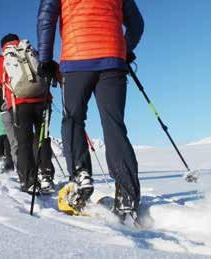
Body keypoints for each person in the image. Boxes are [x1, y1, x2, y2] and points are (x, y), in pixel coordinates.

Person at [37, 0, 144, 221]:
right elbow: (137, 24)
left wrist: (45, 60)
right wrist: (125, 48)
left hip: (77, 61)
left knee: (73, 120)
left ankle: (81, 176)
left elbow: (46, 18)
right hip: (113, 59)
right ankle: (128, 195)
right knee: (114, 124)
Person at [0, 33, 55, 193]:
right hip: (43, 101)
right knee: (42, 137)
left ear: (3, 47)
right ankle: (46, 175)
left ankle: (29, 182)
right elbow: (51, 71)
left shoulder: (0, 61)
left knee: (23, 143)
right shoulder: (32, 52)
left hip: (19, 105)